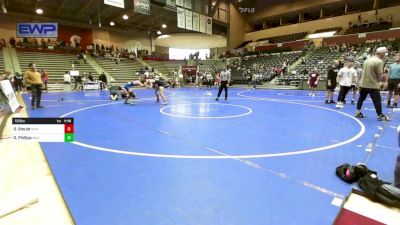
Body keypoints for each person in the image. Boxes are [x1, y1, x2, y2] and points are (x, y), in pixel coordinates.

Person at [355, 47, 389, 121]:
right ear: (381, 53)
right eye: (384, 53)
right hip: (372, 84)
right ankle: (380, 115)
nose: (385, 55)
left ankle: (357, 112)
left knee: (361, 98)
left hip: (363, 83)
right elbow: (380, 76)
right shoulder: (379, 61)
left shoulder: (367, 60)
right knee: (377, 100)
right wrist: (382, 79)